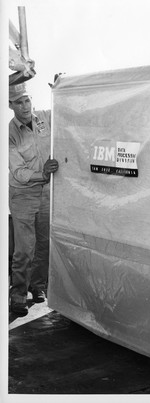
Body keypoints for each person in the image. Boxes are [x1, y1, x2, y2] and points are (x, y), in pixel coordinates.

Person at [9, 82, 59, 317]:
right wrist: (44, 174)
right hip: (22, 195)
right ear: (11, 105)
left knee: (44, 243)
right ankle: (18, 293)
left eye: (27, 100)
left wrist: (61, 89)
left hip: (46, 191)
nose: (25, 105)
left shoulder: (44, 118)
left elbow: (66, 110)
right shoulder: (10, 133)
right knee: (25, 249)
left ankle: (37, 286)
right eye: (18, 102)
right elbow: (18, 172)